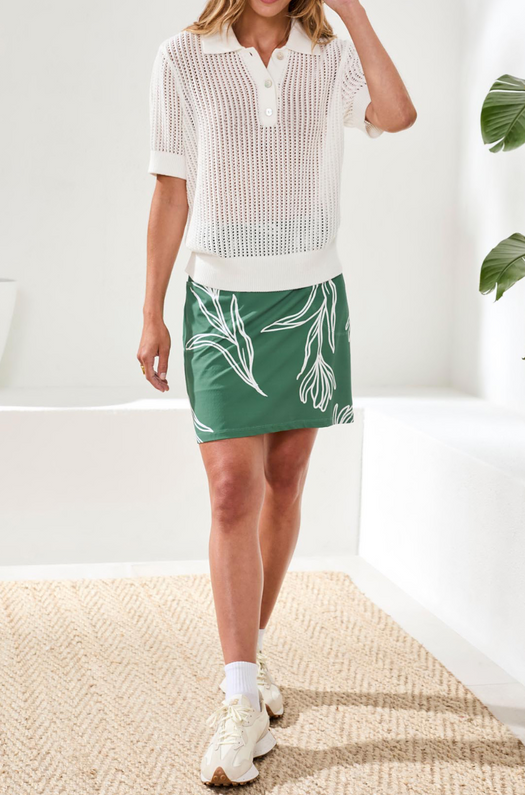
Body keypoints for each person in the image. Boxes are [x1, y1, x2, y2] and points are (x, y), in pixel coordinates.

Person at [138, 0, 416, 785]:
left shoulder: (328, 56)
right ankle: (237, 701)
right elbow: (170, 190)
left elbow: (397, 115)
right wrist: (151, 310)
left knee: (285, 483)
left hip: (310, 302)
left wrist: (352, 12)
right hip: (219, 305)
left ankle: (249, 656)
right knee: (233, 489)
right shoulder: (182, 58)